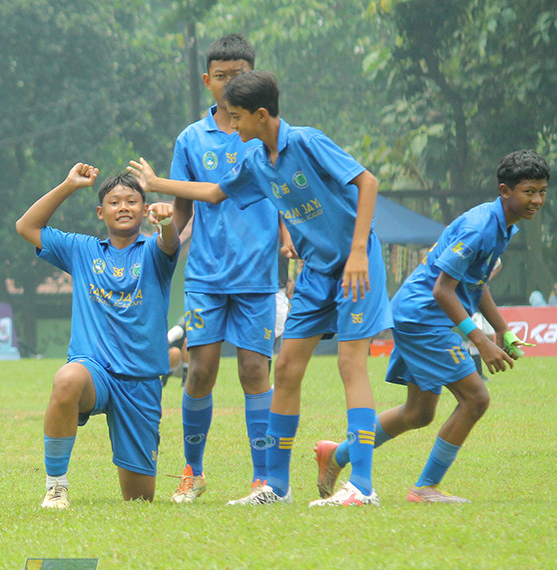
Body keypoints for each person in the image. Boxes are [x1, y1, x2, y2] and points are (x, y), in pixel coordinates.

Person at [129, 70, 392, 507]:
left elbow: (368, 182)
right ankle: (277, 487)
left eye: (236, 118)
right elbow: (214, 193)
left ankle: (362, 487)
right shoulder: (255, 161)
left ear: (262, 115)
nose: (232, 127)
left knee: (351, 366)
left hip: (354, 267)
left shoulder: (307, 141)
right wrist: (156, 185)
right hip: (315, 272)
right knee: (286, 368)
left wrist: (360, 251)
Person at [315, 150, 549, 503]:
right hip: (423, 317)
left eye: (542, 191)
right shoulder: (479, 227)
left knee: (418, 413)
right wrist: (480, 340)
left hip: (419, 314)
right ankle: (424, 488)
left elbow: (475, 280)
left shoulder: (504, 225)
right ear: (505, 190)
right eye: (529, 191)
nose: (537, 200)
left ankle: (337, 455)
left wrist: (500, 329)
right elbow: (443, 290)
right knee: (476, 398)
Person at [161, 34, 286, 505]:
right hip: (207, 276)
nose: (229, 83)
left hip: (256, 275)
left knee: (255, 370)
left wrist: (290, 233)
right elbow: (181, 207)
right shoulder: (191, 140)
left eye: (239, 76)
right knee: (200, 371)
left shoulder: (267, 133)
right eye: (221, 76)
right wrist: (166, 239)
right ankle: (192, 471)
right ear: (207, 80)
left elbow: (286, 193)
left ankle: (263, 479)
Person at [15, 164, 179, 508]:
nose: (123, 207)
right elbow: (26, 226)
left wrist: (166, 221)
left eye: (132, 201)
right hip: (95, 372)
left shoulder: (152, 251)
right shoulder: (82, 250)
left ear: (144, 209)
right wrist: (68, 185)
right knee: (66, 379)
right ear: (100, 212)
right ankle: (56, 486)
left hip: (141, 381)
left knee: (138, 498)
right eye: (115, 202)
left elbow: (169, 241)